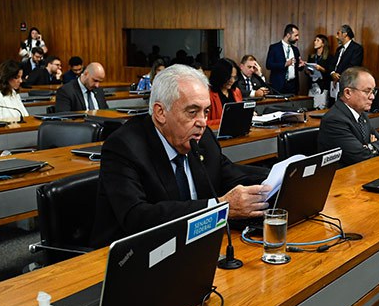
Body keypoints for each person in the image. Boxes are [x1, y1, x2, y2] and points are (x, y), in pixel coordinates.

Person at [91, 64, 269, 246]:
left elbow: (231, 176)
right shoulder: (124, 147)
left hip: (190, 248)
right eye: (192, 112)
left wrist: (274, 182)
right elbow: (138, 217)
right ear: (160, 112)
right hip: (128, 257)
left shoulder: (203, 138)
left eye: (206, 112)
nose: (202, 122)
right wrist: (219, 207)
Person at [318, 66, 379, 167]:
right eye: (367, 91)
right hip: (342, 178)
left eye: (373, 91)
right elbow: (360, 156)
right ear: (348, 93)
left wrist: (368, 147)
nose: (372, 97)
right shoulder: (334, 120)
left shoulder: (362, 115)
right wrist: (371, 146)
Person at [326, 24, 364, 104]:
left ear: (345, 34)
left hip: (347, 84)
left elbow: (353, 66)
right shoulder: (339, 49)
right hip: (334, 85)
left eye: (338, 33)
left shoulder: (356, 48)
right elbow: (332, 64)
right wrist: (333, 73)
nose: (336, 37)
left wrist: (339, 76)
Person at [266, 24, 304, 95]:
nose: (297, 38)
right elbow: (268, 65)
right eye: (296, 35)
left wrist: (300, 66)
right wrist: (285, 64)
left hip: (293, 86)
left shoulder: (295, 50)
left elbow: (297, 68)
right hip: (278, 86)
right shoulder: (274, 48)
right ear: (288, 35)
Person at [207, 58, 243, 126]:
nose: (232, 81)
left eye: (234, 77)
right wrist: (226, 121)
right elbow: (204, 123)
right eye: (229, 77)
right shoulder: (208, 94)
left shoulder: (236, 91)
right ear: (220, 76)